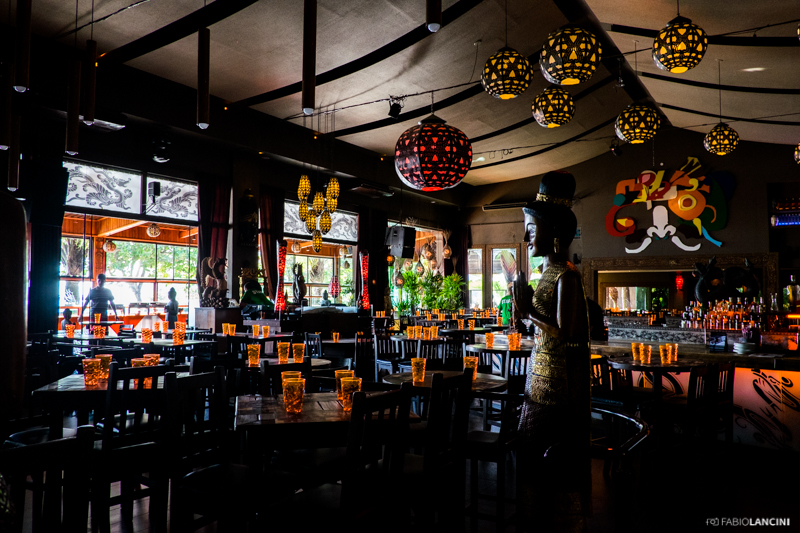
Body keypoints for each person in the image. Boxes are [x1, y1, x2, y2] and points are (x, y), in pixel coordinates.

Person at [512, 171, 590, 532]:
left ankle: (560, 519)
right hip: (538, 377)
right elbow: (540, 326)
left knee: (553, 456)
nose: (526, 237)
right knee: (529, 451)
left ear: (554, 231)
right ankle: (533, 514)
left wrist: (528, 311)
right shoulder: (545, 272)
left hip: (559, 385)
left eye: (532, 229)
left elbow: (564, 330)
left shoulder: (566, 275)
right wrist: (523, 314)